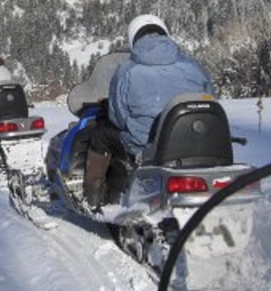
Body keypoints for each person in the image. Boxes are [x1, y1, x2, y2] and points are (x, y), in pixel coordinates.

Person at [83, 14, 214, 208]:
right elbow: (209, 99)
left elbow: (118, 118)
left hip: (145, 146)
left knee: (101, 135)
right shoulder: (193, 65)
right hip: (197, 140)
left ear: (133, 38)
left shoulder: (126, 70)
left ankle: (93, 198)